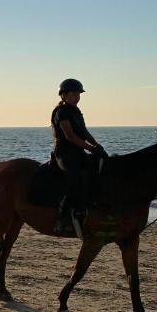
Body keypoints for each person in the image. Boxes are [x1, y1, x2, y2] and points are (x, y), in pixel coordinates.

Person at [51, 79, 106, 235]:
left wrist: (97, 146)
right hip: (64, 153)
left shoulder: (76, 111)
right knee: (74, 177)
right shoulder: (61, 112)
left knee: (98, 169)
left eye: (78, 94)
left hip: (78, 152)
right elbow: (70, 136)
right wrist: (90, 148)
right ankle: (62, 217)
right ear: (64, 95)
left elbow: (84, 132)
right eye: (74, 94)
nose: (77, 97)